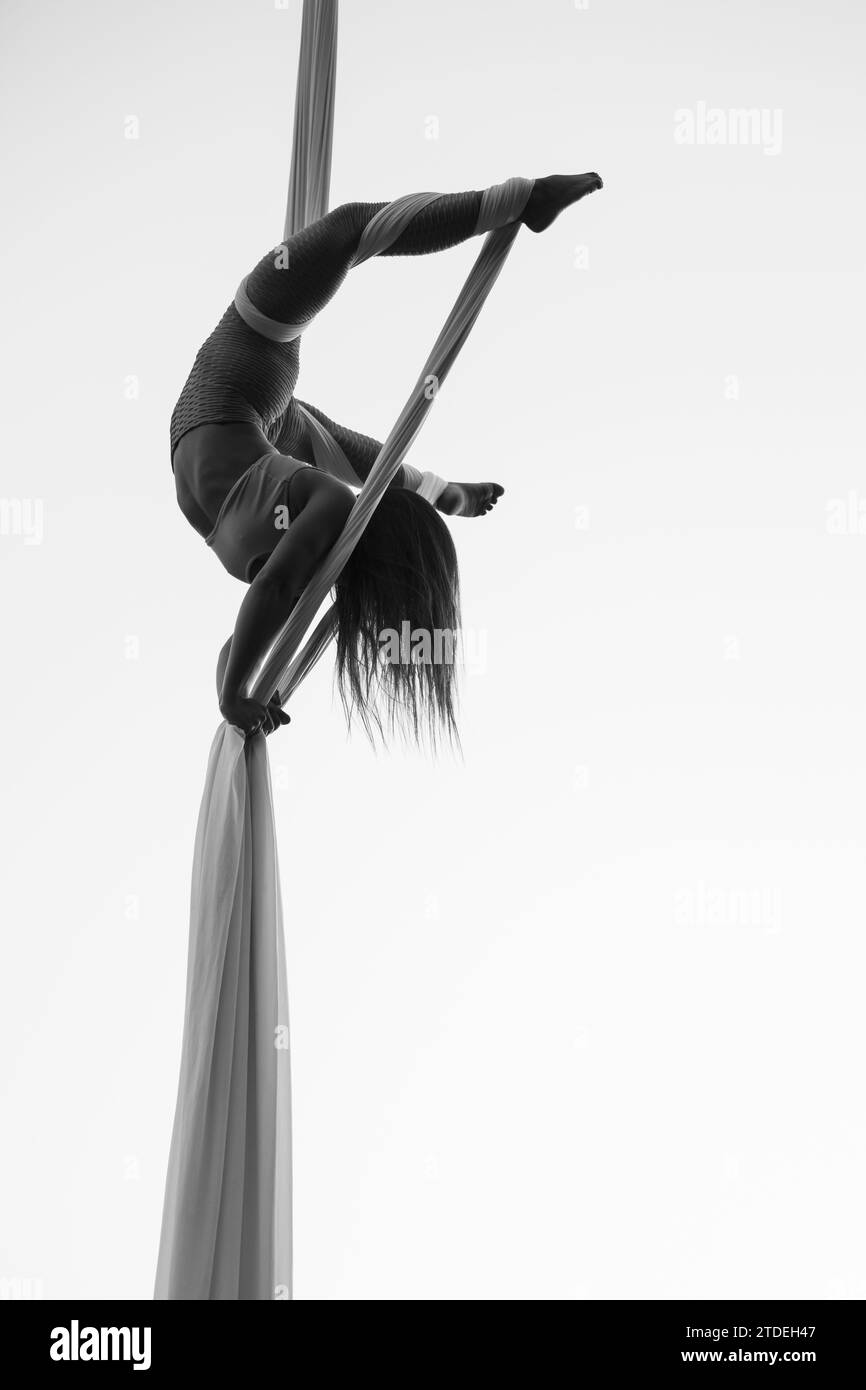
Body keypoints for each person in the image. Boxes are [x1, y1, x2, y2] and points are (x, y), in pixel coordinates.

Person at [171, 173, 603, 740]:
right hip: (228, 514)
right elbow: (249, 625)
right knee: (311, 429)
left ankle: (522, 198)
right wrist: (242, 689)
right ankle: (441, 492)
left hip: (226, 411)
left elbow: (273, 592)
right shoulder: (316, 568)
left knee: (350, 227)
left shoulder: (324, 502)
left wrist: (234, 698)